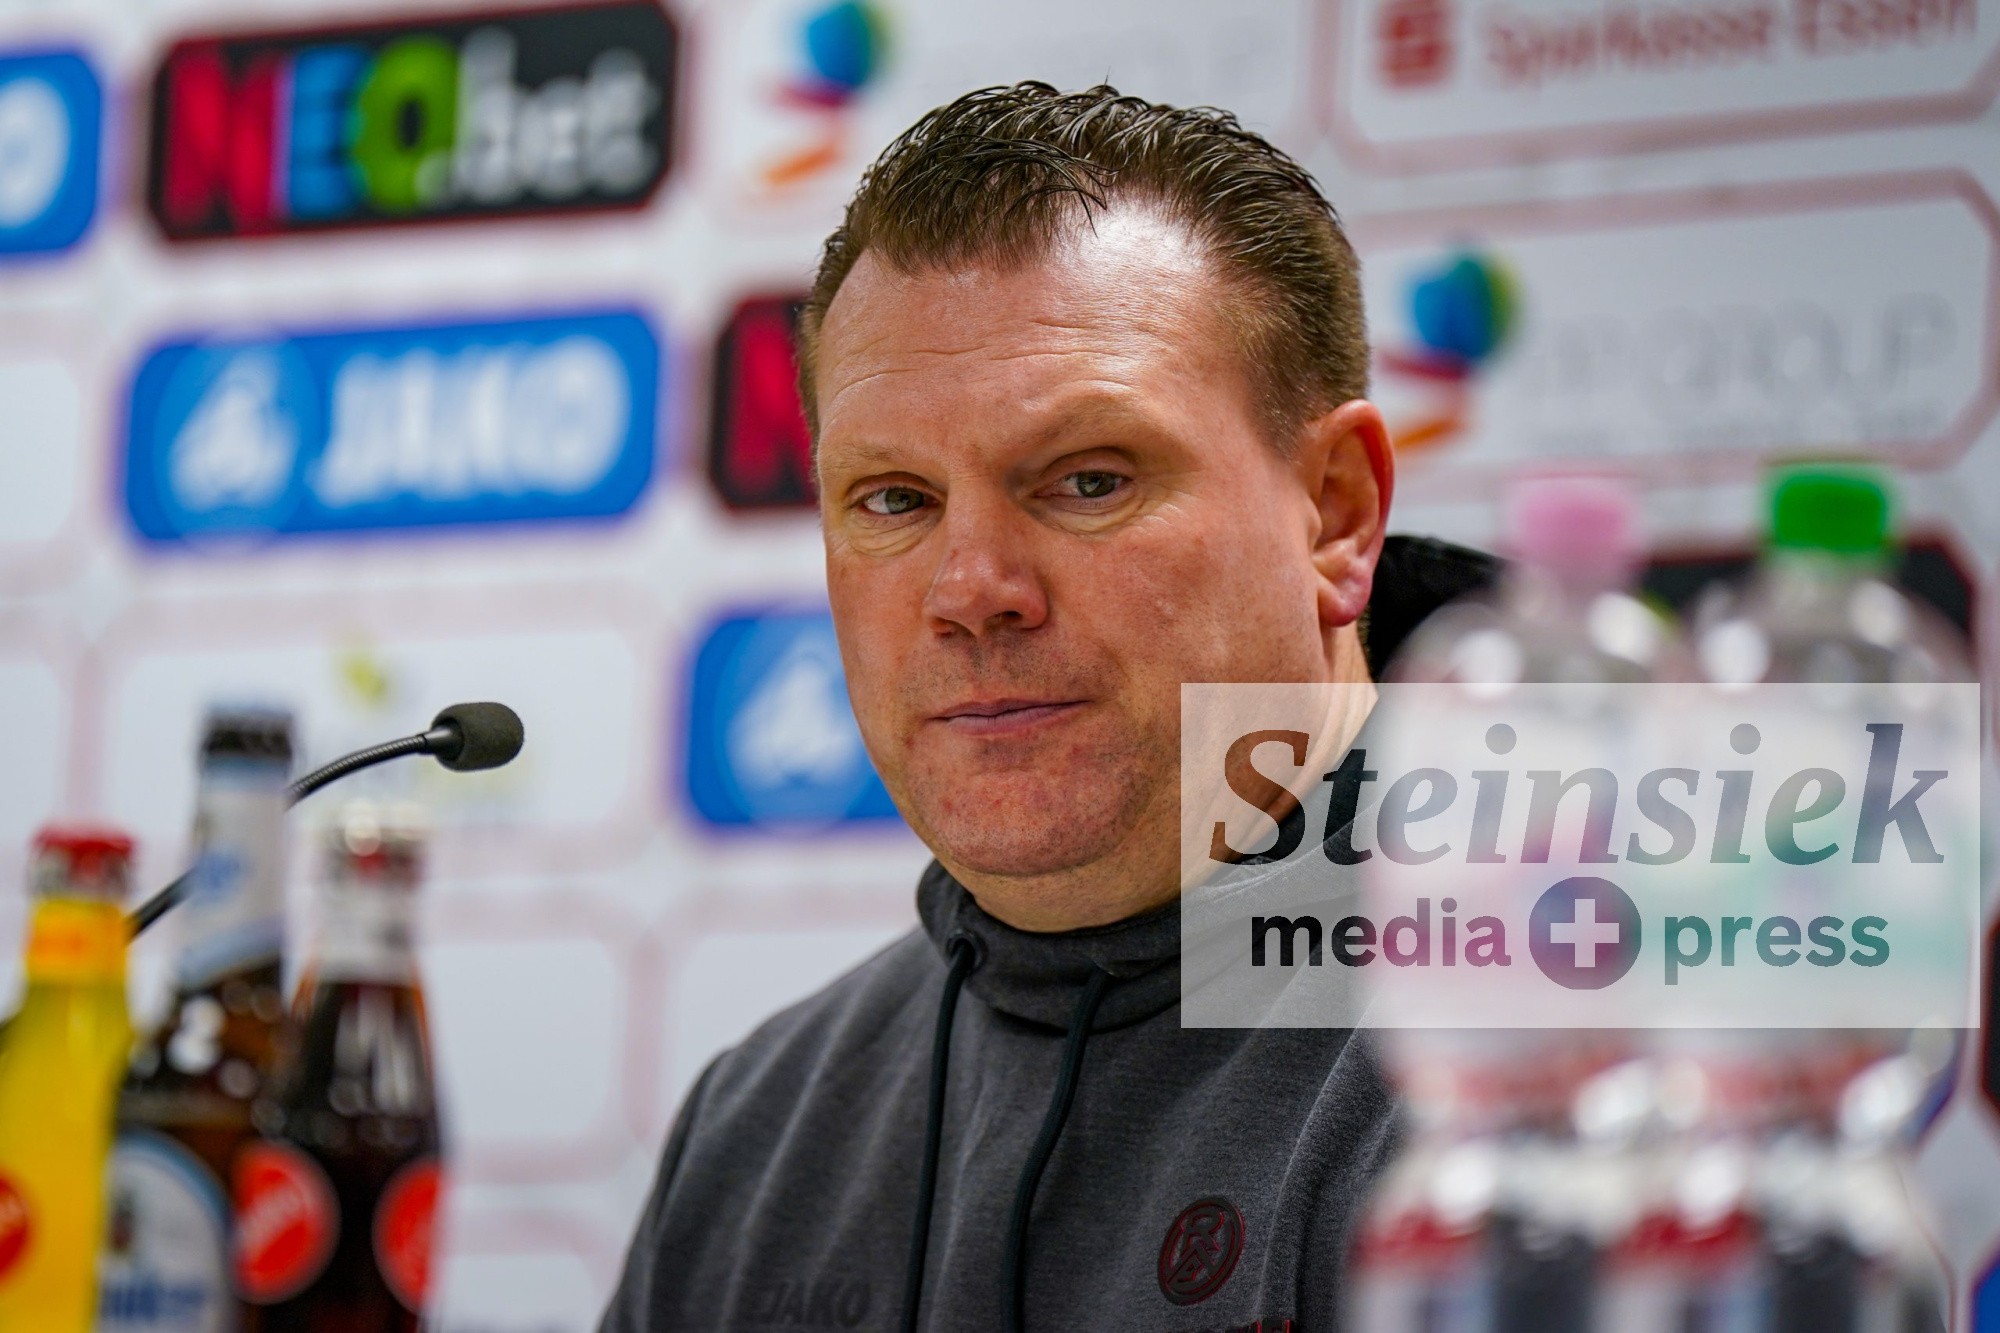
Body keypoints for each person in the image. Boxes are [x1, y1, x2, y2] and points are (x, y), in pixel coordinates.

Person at [602, 83, 1495, 1332]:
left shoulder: (1596, 1059)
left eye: (1085, 480)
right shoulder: (755, 1129)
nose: (971, 591)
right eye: (894, 500)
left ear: (1334, 514)